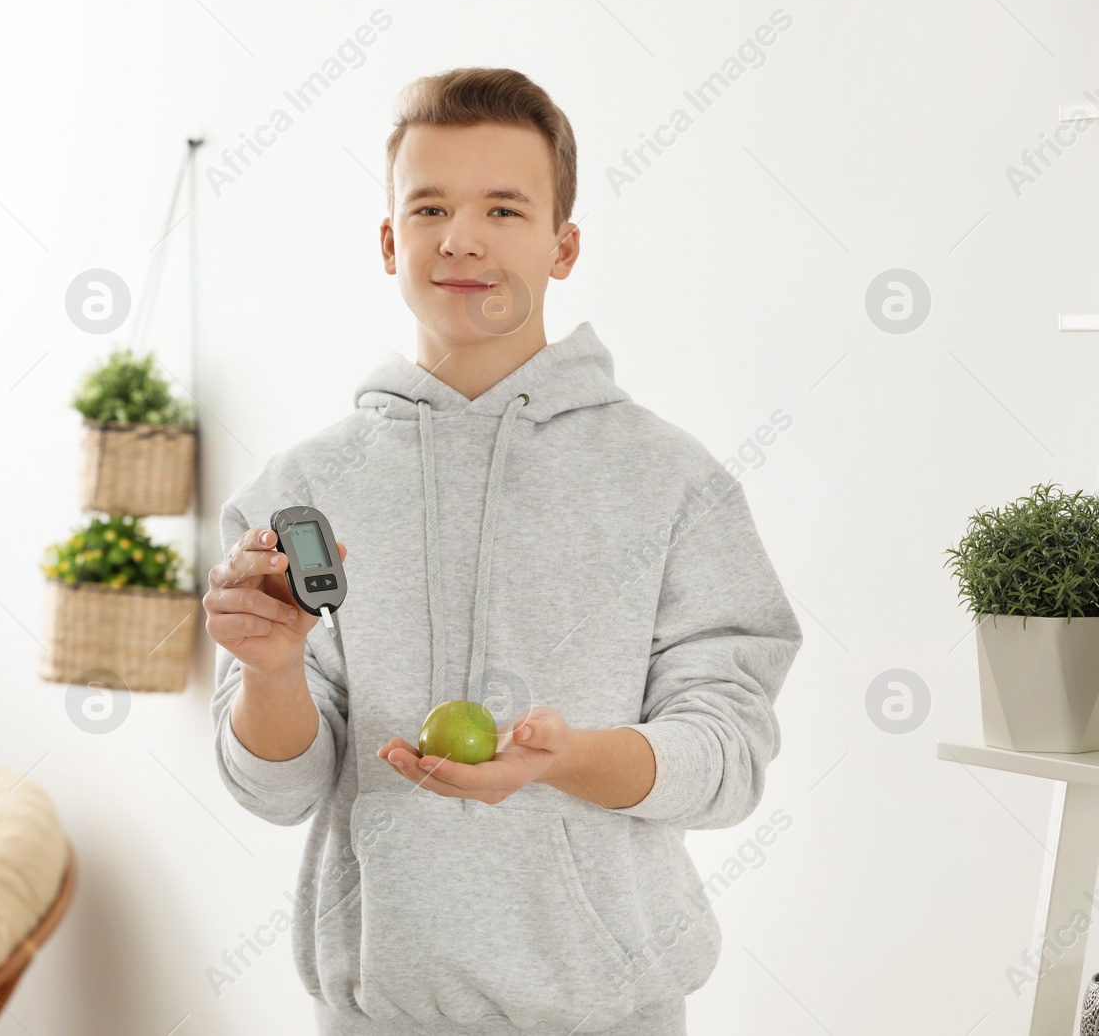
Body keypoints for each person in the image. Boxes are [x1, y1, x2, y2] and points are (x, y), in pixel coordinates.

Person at [203, 66, 803, 1036]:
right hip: (374, 1010)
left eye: (503, 207)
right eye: (430, 205)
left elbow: (728, 758)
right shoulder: (295, 491)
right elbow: (275, 789)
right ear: (390, 240)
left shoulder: (674, 480)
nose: (462, 238)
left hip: (614, 1012)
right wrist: (271, 671)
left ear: (562, 246)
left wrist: (570, 759)